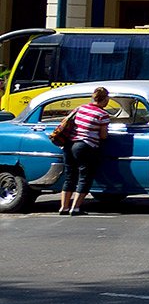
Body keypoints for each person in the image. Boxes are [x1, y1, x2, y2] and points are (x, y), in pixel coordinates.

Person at [60, 87, 111, 216]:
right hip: (85, 146)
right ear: (104, 99)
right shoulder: (102, 115)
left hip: (69, 144)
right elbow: (103, 136)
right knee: (84, 176)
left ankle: (64, 207)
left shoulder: (80, 108)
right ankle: (75, 208)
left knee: (70, 176)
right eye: (107, 98)